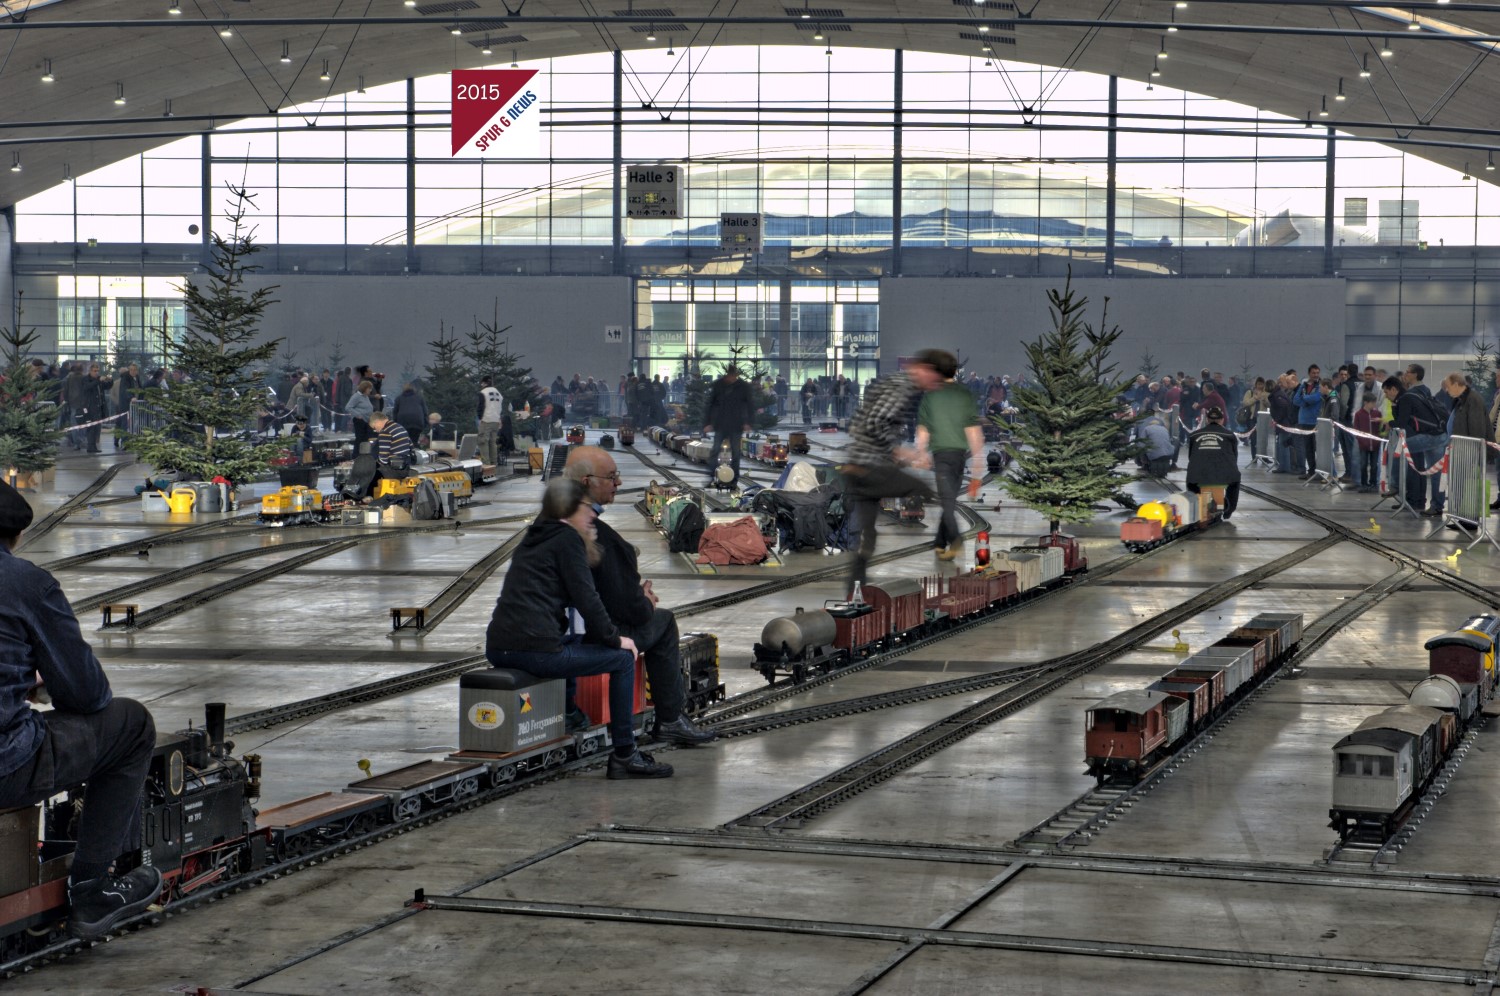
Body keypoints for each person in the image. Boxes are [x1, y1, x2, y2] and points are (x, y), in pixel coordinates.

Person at [0, 481, 163, 941]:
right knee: (131, 726)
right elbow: (88, 695)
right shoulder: (25, 582)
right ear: (14, 537)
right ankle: (91, 889)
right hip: (6, 766)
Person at [485, 478, 671, 779]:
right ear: (570, 510)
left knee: (574, 640)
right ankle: (625, 754)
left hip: (498, 647)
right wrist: (616, 639)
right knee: (623, 660)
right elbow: (588, 599)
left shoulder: (535, 537)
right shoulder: (567, 539)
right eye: (587, 509)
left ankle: (571, 715)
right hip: (536, 651)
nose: (592, 516)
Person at [563, 447, 716, 746]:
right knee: (664, 621)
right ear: (586, 481)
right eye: (611, 477)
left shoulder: (552, 524)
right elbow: (630, 610)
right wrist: (643, 598)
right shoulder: (601, 538)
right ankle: (670, 718)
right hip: (589, 636)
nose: (618, 483)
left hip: (555, 630)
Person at [841, 354, 941, 595]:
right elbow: (875, 423)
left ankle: (854, 591)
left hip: (855, 467)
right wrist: (900, 451)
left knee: (868, 537)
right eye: (935, 378)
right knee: (924, 488)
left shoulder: (889, 383)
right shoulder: (902, 388)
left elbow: (857, 421)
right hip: (869, 469)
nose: (935, 385)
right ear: (923, 369)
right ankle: (946, 538)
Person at [913, 349, 984, 561]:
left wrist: (921, 453)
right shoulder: (965, 394)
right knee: (950, 500)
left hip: (942, 457)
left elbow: (923, 430)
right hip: (960, 457)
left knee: (947, 502)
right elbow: (973, 431)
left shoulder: (930, 395)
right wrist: (978, 467)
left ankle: (955, 538)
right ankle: (938, 541)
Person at [1383, 375, 1446, 516]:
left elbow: (1401, 421)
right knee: (1435, 473)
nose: (1386, 396)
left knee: (1397, 450)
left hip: (1430, 436)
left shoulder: (1406, 399)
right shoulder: (1409, 397)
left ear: (1393, 389)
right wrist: (1394, 405)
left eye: (1386, 392)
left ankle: (1395, 485)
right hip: (1438, 434)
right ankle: (1437, 506)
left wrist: (1390, 424)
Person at [1185, 406, 1241, 520]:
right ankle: (1228, 511)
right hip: (1225, 475)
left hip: (1197, 475)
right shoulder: (1230, 435)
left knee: (1191, 481)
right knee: (1235, 481)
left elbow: (1191, 457)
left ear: (1206, 419)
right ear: (1222, 420)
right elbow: (1234, 457)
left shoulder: (1193, 435)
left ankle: (1197, 506)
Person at [703, 365, 754, 490]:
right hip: (721, 424)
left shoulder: (743, 387)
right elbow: (710, 404)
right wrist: (707, 423)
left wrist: (748, 422)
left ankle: (734, 479)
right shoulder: (718, 385)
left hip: (736, 425)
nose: (731, 378)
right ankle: (713, 476)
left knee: (736, 453)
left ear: (735, 375)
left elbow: (750, 405)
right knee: (715, 451)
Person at [1291, 364, 1324, 478]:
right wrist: (1306, 401)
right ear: (1309, 373)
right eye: (1313, 373)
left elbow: (1316, 398)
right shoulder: (1304, 385)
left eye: (1317, 373)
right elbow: (1295, 400)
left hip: (1314, 421)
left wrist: (1304, 399)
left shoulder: (1321, 385)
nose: (1315, 375)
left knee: (1317, 448)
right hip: (1303, 420)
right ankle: (1311, 471)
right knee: (1308, 449)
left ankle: (1320, 472)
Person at [368, 411, 413, 486]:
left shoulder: (385, 431)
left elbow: (383, 460)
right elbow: (411, 447)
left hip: (393, 470)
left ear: (377, 422)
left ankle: (370, 497)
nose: (376, 431)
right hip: (405, 468)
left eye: (374, 428)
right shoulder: (400, 427)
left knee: (369, 476)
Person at [1352, 393, 1383, 493]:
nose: (1374, 405)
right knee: (1363, 464)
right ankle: (1363, 484)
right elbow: (1356, 429)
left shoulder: (1377, 414)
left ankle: (1373, 483)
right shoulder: (1359, 414)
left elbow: (1380, 429)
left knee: (1374, 465)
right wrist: (1361, 441)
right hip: (1363, 445)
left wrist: (1378, 439)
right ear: (1366, 402)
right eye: (1372, 403)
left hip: (1375, 445)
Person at [1136, 405, 1174, 477]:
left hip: (1153, 454)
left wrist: (1142, 457)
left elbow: (1140, 442)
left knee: (1140, 445)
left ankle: (1145, 464)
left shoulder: (1146, 427)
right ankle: (1173, 463)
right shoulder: (1163, 427)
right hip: (1168, 453)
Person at [477, 376, 505, 466]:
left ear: (484, 383)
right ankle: (494, 463)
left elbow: (481, 406)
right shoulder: (498, 393)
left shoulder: (483, 392)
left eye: (482, 383)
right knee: (492, 442)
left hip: (486, 419)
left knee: (483, 441)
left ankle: (486, 463)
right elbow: (500, 407)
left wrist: (480, 418)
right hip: (496, 420)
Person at [347, 379, 375, 452]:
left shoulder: (366, 397)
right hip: (360, 421)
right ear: (364, 388)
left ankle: (365, 454)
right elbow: (348, 407)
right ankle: (356, 455)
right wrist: (358, 415)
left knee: (367, 438)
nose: (370, 390)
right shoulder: (356, 396)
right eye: (369, 388)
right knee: (359, 439)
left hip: (367, 421)